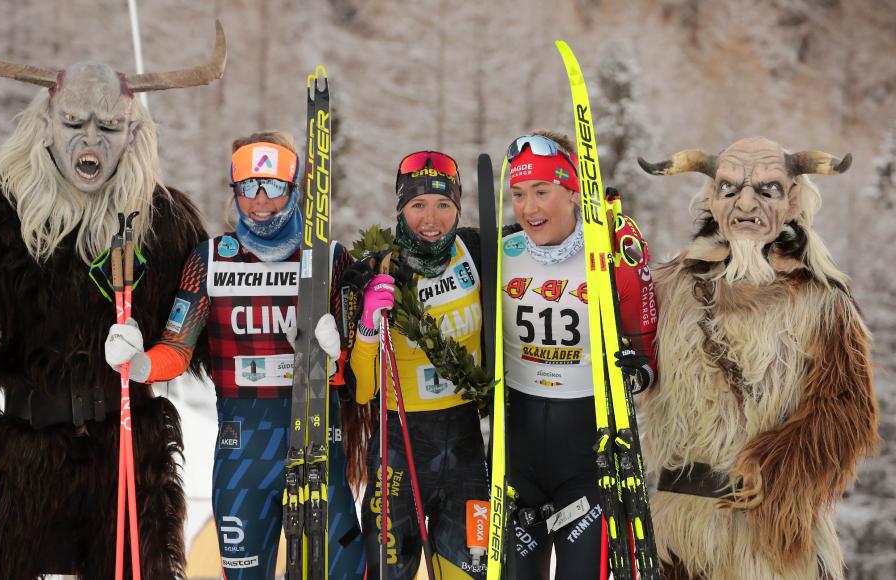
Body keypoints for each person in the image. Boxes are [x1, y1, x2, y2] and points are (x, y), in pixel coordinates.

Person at [0, 13, 223, 579]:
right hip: (13, 455)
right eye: (74, 123)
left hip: (126, 456)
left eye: (108, 127)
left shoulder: (165, 225)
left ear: (133, 132)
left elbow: (211, 329)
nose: (90, 141)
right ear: (45, 124)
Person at [105, 131, 367, 579]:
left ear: (294, 189)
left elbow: (358, 372)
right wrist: (140, 362)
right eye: (247, 186)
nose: (259, 200)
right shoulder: (209, 261)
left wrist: (338, 355)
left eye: (272, 187)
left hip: (315, 440)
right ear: (234, 190)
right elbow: (177, 349)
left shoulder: (329, 259)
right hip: (242, 449)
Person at [637, 137, 878, 580]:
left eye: (765, 190)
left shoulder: (823, 301)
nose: (745, 203)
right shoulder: (667, 287)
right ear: (712, 199)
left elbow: (848, 410)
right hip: (681, 536)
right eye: (729, 189)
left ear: (792, 200)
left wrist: (774, 463)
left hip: (774, 539)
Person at [500, 131, 657, 580]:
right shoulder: (501, 252)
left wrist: (638, 372)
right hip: (517, 453)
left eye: (542, 192)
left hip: (587, 457)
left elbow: (648, 354)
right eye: (518, 194)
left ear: (573, 192)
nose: (529, 208)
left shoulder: (611, 253)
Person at [349, 150, 489, 579]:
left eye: (444, 204)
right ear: (400, 207)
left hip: (465, 450)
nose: (432, 218)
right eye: (418, 205)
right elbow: (362, 390)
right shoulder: (376, 268)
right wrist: (370, 326)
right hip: (399, 447)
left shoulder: (477, 250)